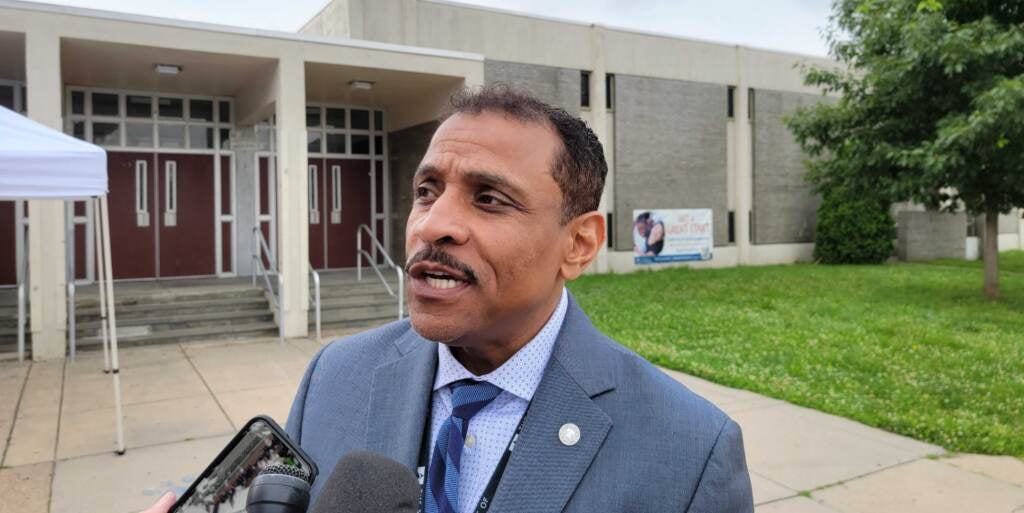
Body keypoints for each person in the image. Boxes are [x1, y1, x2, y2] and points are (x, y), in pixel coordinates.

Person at [142, 85, 753, 513]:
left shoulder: (689, 451)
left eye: (489, 198)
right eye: (427, 190)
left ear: (579, 242)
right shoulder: (337, 375)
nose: (433, 224)